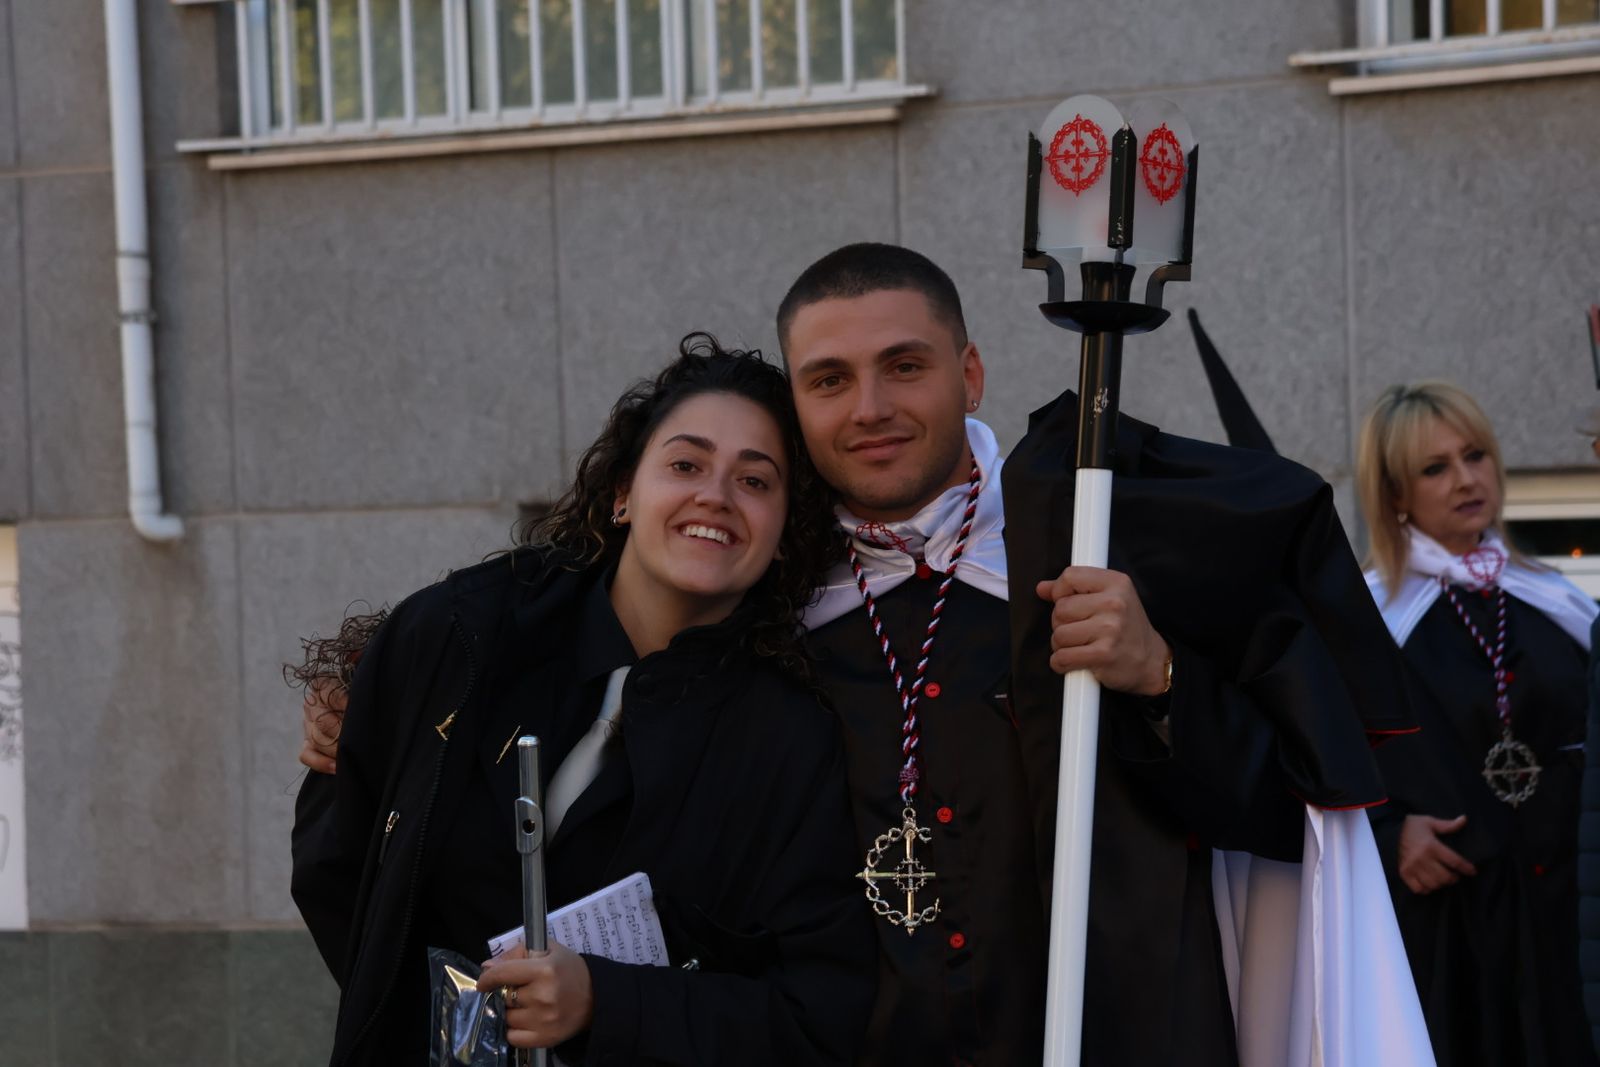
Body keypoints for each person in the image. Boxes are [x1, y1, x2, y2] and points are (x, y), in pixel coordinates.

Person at [305, 243, 1418, 1066]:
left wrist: (1164, 679)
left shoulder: (1090, 558)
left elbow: (1288, 823)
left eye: (905, 366)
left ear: (970, 372)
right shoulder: (767, 617)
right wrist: (374, 718)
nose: (871, 407)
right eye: (829, 380)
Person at [290, 335, 875, 1065]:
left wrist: (606, 1000)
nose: (715, 496)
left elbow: (817, 1014)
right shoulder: (461, 635)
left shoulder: (791, 741)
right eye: (685, 464)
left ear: (787, 532)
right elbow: (340, 864)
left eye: (755, 481)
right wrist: (446, 1028)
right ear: (625, 491)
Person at [1357, 381, 1600, 1066]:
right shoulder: (1368, 624)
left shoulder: (1557, 603)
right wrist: (1388, 834)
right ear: (1395, 494)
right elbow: (1317, 769)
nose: (1467, 479)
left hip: (1568, 921)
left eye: (1475, 455)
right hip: (1451, 934)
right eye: (1435, 468)